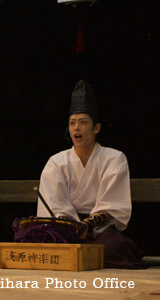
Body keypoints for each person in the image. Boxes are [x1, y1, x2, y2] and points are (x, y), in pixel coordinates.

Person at [36, 80, 146, 269]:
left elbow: (112, 204)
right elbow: (56, 204)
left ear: (96, 128)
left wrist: (87, 227)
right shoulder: (57, 162)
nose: (76, 128)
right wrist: (73, 228)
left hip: (100, 231)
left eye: (83, 122)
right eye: (72, 123)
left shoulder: (114, 158)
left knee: (115, 246)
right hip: (66, 230)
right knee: (46, 246)